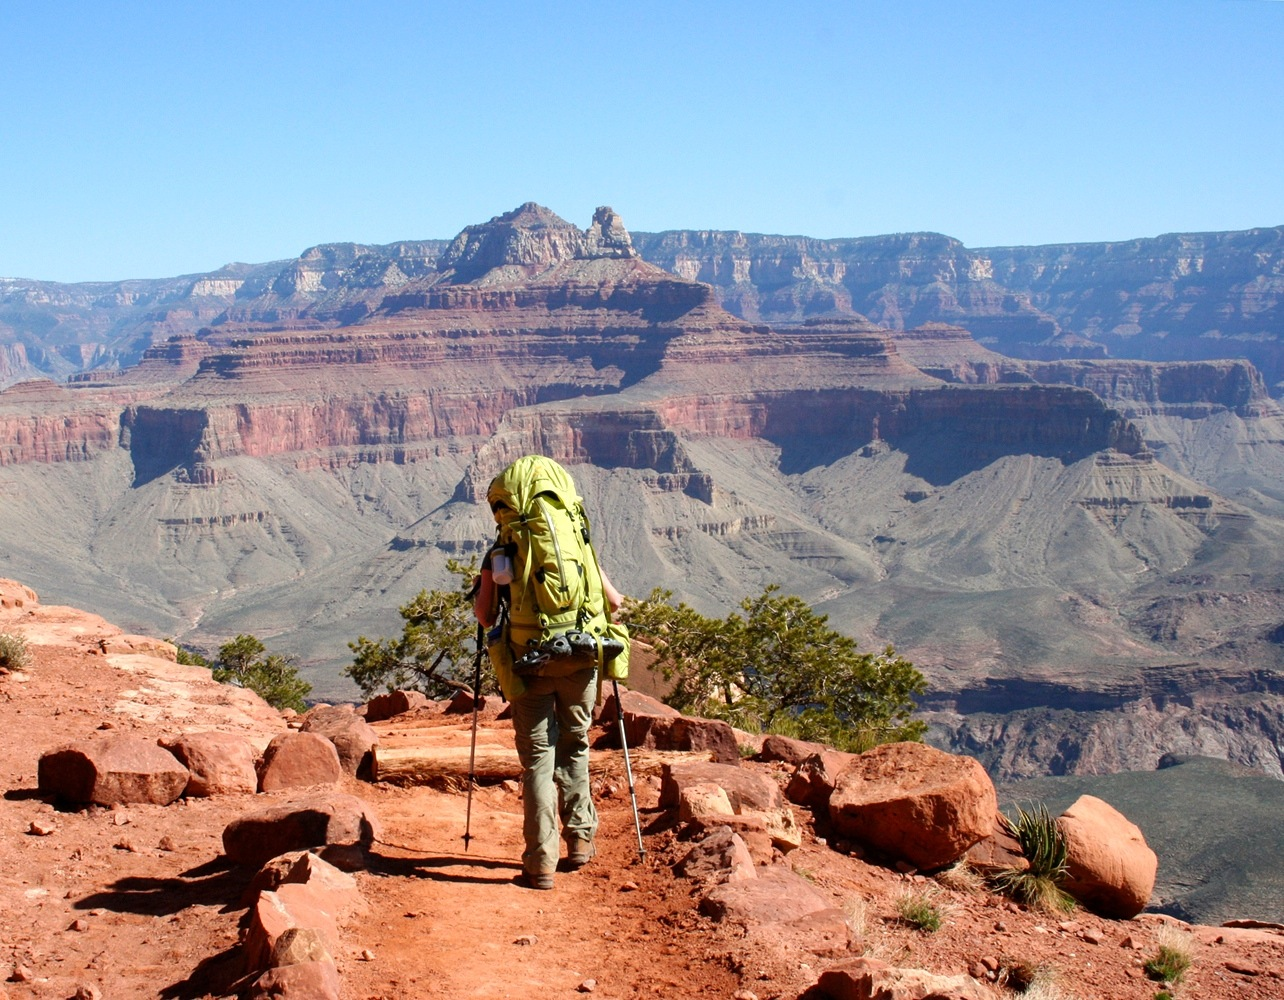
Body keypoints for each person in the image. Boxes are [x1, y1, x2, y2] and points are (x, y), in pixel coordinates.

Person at [473, 487, 624, 891]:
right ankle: (580, 841)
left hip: (531, 665)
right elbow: (614, 603)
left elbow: (486, 617)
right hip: (581, 661)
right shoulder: (578, 539)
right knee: (575, 745)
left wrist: (486, 585)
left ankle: (540, 862)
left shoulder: (500, 553)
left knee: (538, 760)